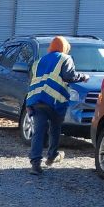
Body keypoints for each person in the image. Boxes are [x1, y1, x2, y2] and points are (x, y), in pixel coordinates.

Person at [25, 36, 88, 175]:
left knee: (38, 132)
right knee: (54, 129)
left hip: (36, 100)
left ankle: (35, 164)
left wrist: (28, 103)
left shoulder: (38, 62)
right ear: (65, 47)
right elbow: (69, 77)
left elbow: (31, 81)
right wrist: (83, 77)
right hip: (54, 101)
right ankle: (52, 156)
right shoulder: (65, 58)